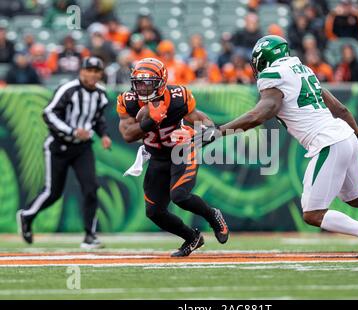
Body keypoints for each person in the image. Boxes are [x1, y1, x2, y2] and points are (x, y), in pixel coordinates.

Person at [189, 35, 358, 258]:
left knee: (312, 213)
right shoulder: (302, 69)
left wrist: (221, 131)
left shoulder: (272, 75)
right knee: (354, 196)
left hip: (327, 141)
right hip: (345, 135)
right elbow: (339, 108)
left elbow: (263, 113)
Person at [116, 58, 229, 257]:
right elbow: (127, 135)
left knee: (180, 196)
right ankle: (192, 237)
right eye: (138, 83)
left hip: (181, 151)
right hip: (157, 157)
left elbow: (203, 120)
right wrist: (151, 121)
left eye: (147, 83)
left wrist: (203, 134)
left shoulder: (178, 97)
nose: (141, 88)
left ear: (161, 82)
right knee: (153, 212)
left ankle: (213, 216)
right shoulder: (129, 101)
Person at [17, 57, 112, 249]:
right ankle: (27, 215)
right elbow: (49, 113)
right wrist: (72, 131)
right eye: (89, 70)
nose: (93, 74)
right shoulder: (68, 90)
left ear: (101, 74)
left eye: (96, 71)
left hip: (82, 148)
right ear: (81, 71)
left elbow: (97, 118)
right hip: (58, 146)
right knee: (53, 192)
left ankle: (90, 235)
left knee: (91, 188)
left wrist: (104, 135)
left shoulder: (101, 94)